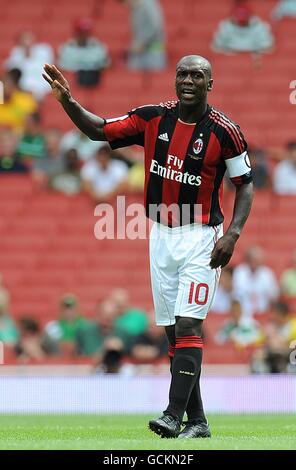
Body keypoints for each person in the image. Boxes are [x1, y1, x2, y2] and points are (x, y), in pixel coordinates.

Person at [43, 55, 254, 439]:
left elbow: (245, 183)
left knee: (190, 324)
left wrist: (233, 234)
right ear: (175, 80)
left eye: (198, 75)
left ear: (211, 83)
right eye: (183, 74)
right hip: (161, 235)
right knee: (174, 334)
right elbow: (98, 130)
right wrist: (68, 100)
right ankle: (199, 422)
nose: (189, 80)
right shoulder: (152, 117)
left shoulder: (226, 131)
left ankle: (173, 416)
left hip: (201, 238)